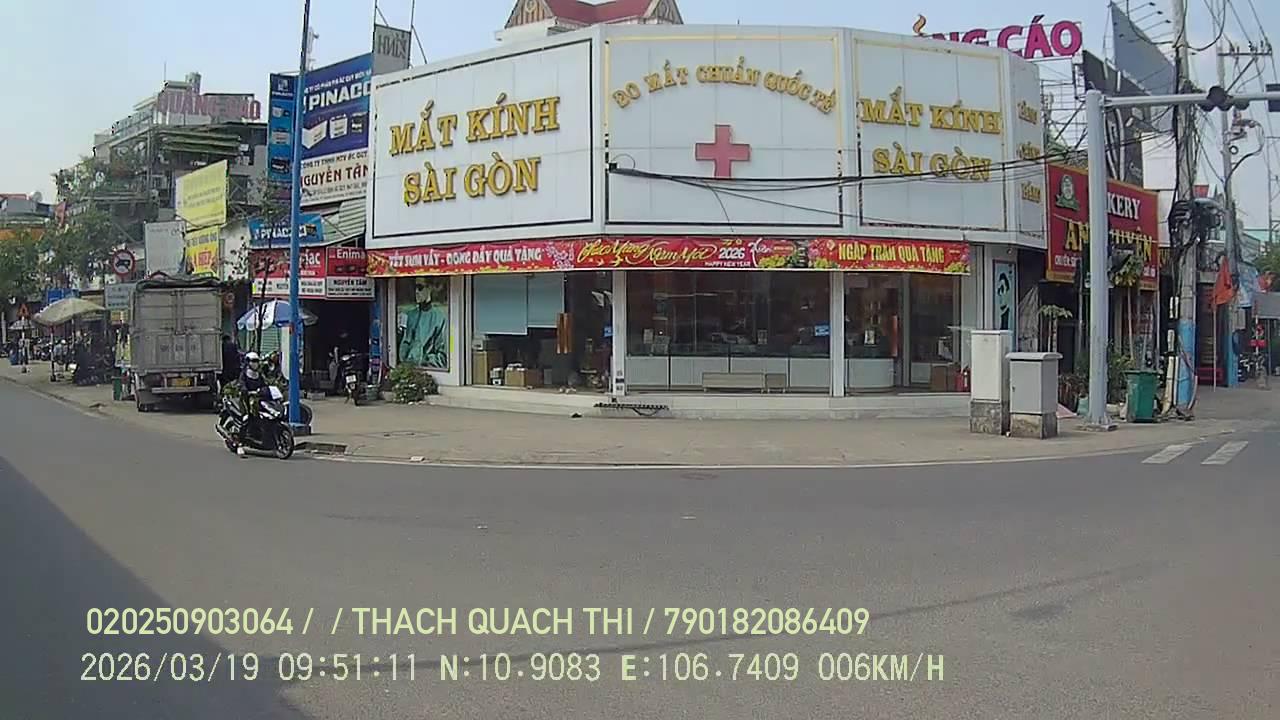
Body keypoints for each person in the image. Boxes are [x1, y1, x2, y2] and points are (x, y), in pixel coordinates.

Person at [398, 278, 448, 368]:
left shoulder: (439, 318)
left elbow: (442, 356)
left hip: (427, 368)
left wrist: (424, 360)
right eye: (415, 288)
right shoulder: (409, 315)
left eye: (420, 288)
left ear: (429, 288)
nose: (416, 292)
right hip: (406, 367)